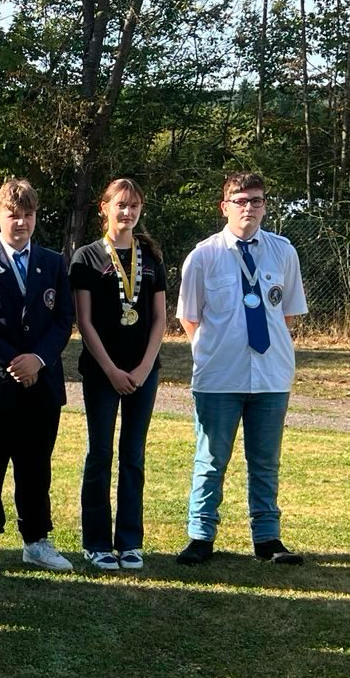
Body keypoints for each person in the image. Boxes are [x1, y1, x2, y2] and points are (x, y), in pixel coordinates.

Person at [175, 172, 307, 566]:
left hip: (271, 376)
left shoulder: (284, 252)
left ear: (265, 206)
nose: (249, 207)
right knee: (211, 459)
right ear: (224, 206)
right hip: (219, 377)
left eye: (257, 200)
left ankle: (267, 539)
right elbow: (190, 318)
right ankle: (201, 537)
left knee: (265, 461)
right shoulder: (204, 255)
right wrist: (216, 351)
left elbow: (286, 314)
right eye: (240, 200)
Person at [0, 178, 75, 578]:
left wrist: (38, 360)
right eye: (13, 215)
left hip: (41, 384)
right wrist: (15, 362)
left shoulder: (54, 263)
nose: (21, 223)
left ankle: (36, 541)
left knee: (35, 466)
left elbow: (63, 320)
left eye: (28, 215)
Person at [70, 178, 167, 571]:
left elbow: (160, 319)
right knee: (100, 454)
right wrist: (111, 370)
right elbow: (85, 322)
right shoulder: (87, 257)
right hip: (101, 372)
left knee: (134, 455)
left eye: (134, 206)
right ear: (104, 208)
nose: (127, 213)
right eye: (120, 205)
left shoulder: (151, 255)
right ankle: (96, 542)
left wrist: (143, 368)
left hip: (144, 372)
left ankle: (129, 541)